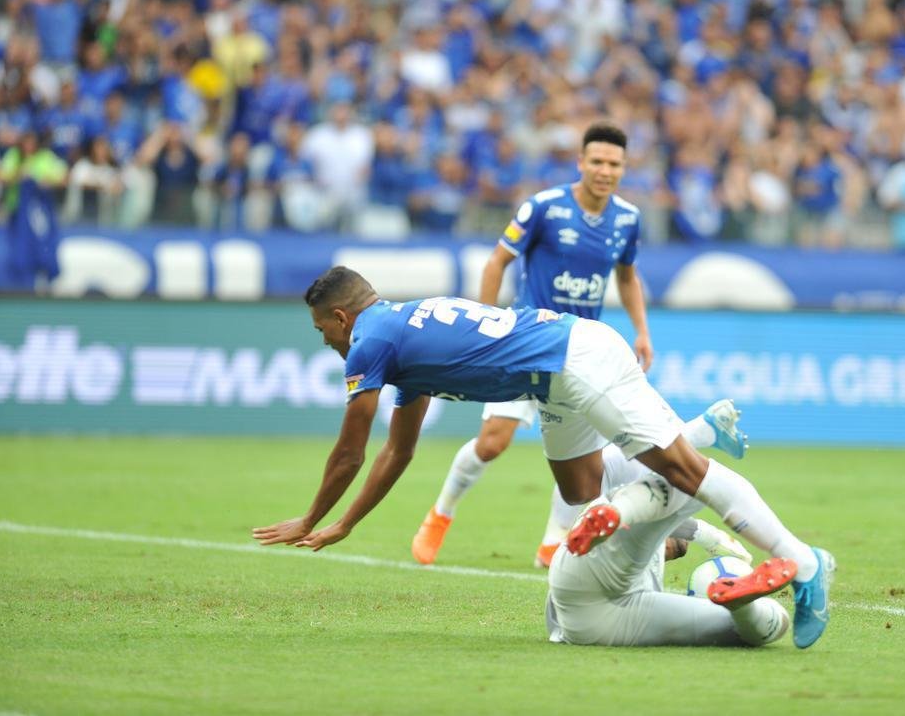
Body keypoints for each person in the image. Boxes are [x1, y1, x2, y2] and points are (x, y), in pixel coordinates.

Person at [253, 266, 834, 649]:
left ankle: (802, 563)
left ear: (340, 318)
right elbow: (396, 450)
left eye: (322, 330)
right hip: (554, 377)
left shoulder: (370, 340)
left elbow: (350, 450)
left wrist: (309, 519)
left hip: (574, 361)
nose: (326, 342)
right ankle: (692, 457)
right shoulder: (400, 336)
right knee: (582, 487)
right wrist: (346, 524)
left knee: (684, 470)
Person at [410, 122, 719, 570]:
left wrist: (643, 331)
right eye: (596, 161)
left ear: (623, 168)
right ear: (581, 163)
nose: (604, 170)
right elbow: (498, 261)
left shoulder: (628, 219)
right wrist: (485, 321)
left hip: (579, 358)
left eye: (614, 164)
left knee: (583, 459)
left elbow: (627, 278)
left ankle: (552, 541)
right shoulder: (544, 207)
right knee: (493, 443)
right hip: (523, 344)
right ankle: (441, 514)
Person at [546, 446, 807, 647]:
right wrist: (708, 535)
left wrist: (703, 535)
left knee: (768, 625)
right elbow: (675, 495)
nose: (680, 550)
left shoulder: (643, 545)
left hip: (603, 622)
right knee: (688, 480)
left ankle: (742, 604)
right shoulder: (631, 493)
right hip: (588, 578)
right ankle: (622, 512)